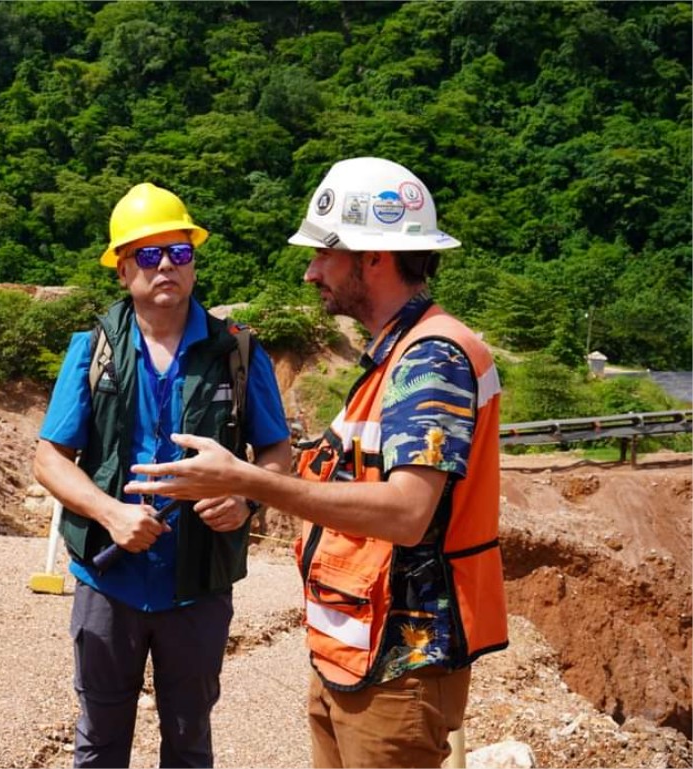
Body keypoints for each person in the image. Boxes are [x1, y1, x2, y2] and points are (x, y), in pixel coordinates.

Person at [126, 158, 508, 768]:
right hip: (357, 653)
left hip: (398, 664)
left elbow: (409, 512)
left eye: (323, 255)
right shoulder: (393, 359)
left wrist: (247, 480)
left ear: (373, 256)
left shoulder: (432, 357)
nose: (309, 273)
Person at [33, 182, 293, 768]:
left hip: (197, 584)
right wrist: (110, 513)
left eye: (180, 252)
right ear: (123, 269)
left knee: (188, 738)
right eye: (148, 255)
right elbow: (49, 457)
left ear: (195, 263)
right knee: (99, 739)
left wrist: (248, 501)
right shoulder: (92, 348)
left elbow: (277, 455)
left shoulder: (238, 351)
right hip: (109, 579)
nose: (166, 266)